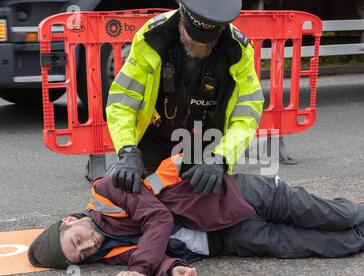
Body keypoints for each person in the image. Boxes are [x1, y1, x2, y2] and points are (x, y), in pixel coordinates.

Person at [28, 155, 364, 276]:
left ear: (71, 220)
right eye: (81, 254)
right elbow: (152, 259)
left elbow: (156, 218)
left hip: (235, 194)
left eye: (77, 239)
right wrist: (175, 273)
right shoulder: (108, 253)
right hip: (228, 238)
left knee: (335, 216)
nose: (87, 247)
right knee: (335, 245)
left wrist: (138, 269)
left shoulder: (107, 189)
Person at [106, 0, 263, 196]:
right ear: (183, 14)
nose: (198, 45)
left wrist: (221, 158)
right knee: (131, 199)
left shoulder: (237, 50)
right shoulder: (153, 37)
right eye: (192, 36)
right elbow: (123, 98)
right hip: (155, 138)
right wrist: (127, 150)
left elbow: (247, 112)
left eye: (207, 42)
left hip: (205, 148)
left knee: (202, 212)